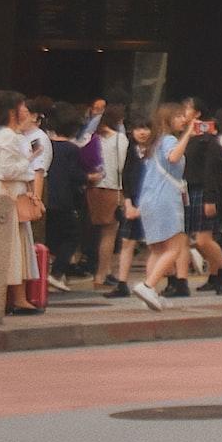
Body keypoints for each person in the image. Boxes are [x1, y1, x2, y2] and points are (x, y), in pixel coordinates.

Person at [0, 92, 43, 316]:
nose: (26, 111)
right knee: (13, 248)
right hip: (9, 196)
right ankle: (18, 299)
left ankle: (15, 298)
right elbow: (6, 170)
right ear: (12, 111)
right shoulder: (8, 137)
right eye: (22, 107)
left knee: (14, 247)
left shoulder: (10, 136)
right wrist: (28, 164)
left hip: (11, 194)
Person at [130, 103, 192, 311]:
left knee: (157, 250)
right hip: (165, 199)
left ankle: (150, 292)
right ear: (168, 119)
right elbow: (173, 157)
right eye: (179, 116)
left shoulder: (154, 142)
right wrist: (188, 134)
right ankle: (148, 286)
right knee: (175, 247)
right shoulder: (169, 140)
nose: (183, 120)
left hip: (149, 199)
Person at [182, 103, 222, 295]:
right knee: (201, 239)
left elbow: (211, 168)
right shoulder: (186, 135)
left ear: (197, 113)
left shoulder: (205, 137)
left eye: (186, 109)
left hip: (203, 191)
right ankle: (214, 276)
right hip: (190, 189)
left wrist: (210, 198)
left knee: (203, 240)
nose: (182, 114)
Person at [42, 105, 91, 291]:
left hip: (45, 197)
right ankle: (56, 273)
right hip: (64, 200)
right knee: (72, 236)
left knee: (48, 237)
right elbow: (75, 175)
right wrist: (89, 177)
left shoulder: (46, 144)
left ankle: (43, 273)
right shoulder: (72, 149)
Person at [104, 115, 152, 300]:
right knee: (127, 242)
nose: (142, 132)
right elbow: (126, 178)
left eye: (146, 128)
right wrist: (129, 203)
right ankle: (122, 283)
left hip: (152, 202)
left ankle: (152, 283)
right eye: (138, 128)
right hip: (133, 203)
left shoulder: (157, 151)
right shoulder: (130, 151)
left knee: (155, 245)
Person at [86, 103, 128, 291]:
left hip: (93, 187)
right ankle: (101, 274)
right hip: (113, 188)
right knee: (109, 234)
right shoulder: (119, 139)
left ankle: (104, 272)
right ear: (119, 120)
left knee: (96, 231)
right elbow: (122, 167)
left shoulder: (93, 137)